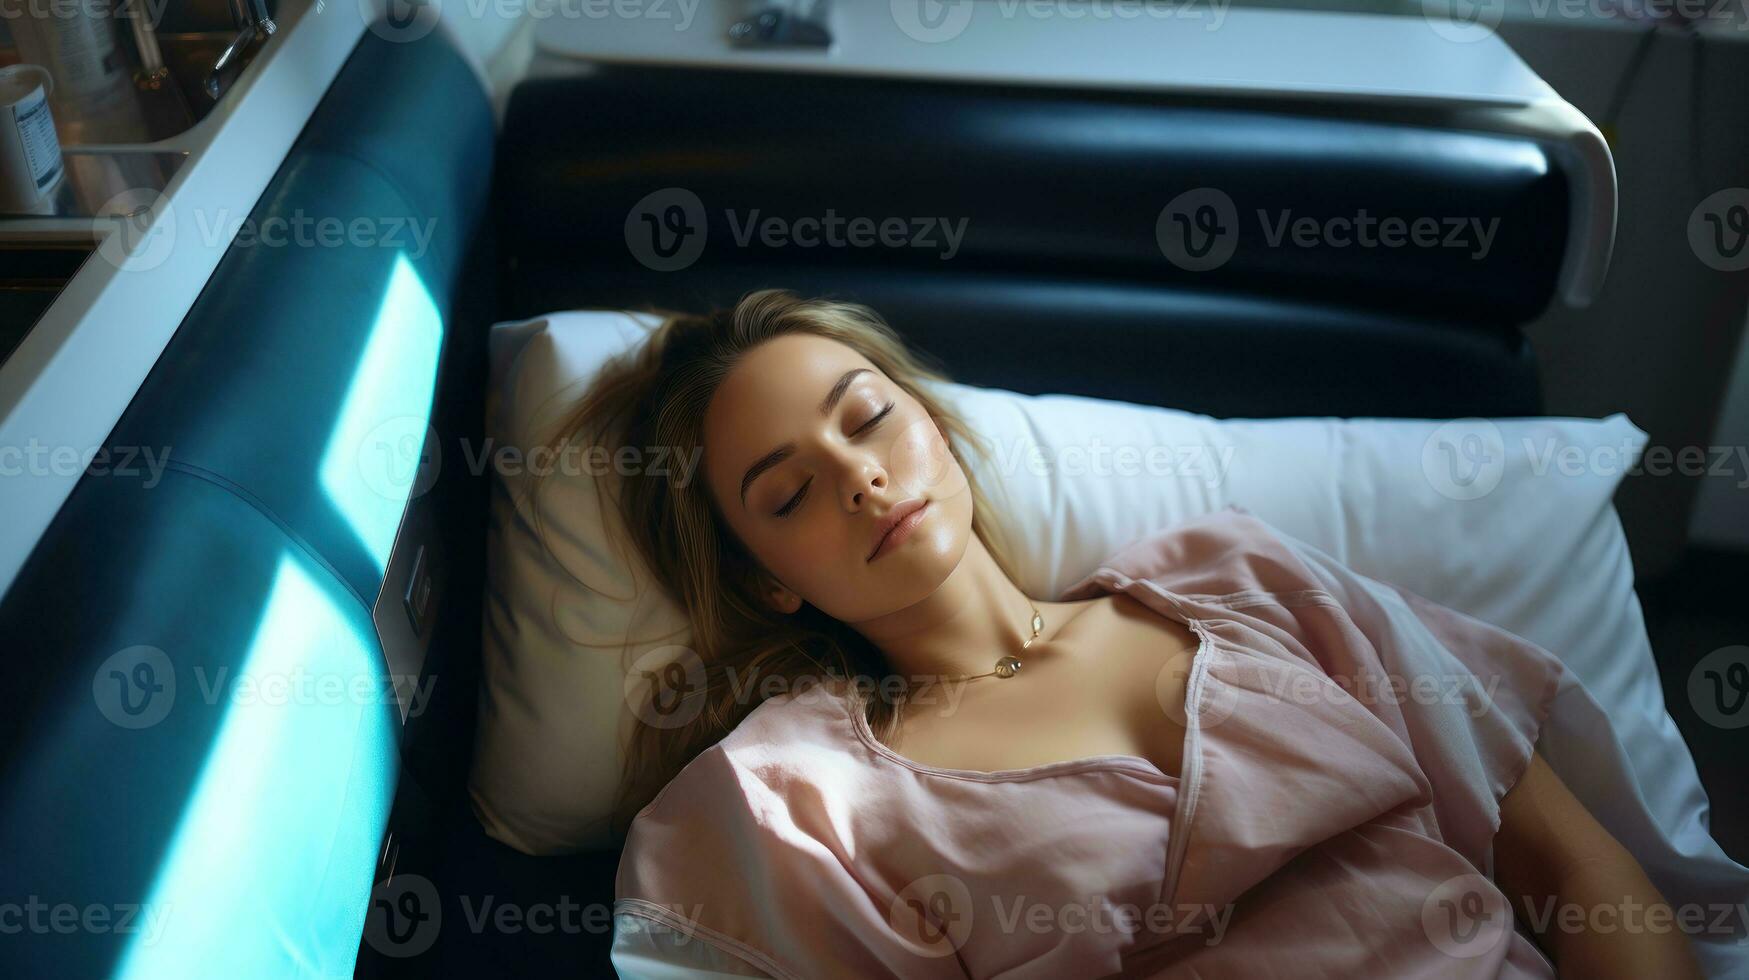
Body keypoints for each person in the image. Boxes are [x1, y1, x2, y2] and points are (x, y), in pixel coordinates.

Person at [541, 289, 1701, 978]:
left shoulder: (1248, 576)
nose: (855, 474)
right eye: (786, 494)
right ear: (770, 582)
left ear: (937, 429)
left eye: (869, 419)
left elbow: (1561, 853)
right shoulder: (803, 794)